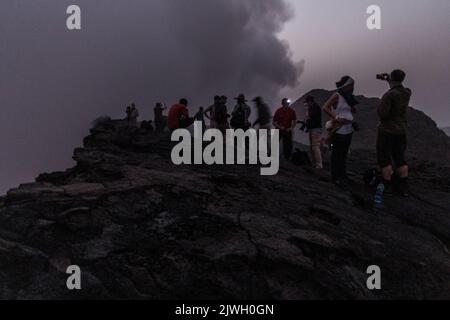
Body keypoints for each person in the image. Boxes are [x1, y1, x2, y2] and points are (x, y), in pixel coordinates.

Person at [377, 69, 412, 197]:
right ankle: (403, 187)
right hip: (401, 130)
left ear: (392, 78)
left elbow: (383, 114)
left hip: (387, 130)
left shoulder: (389, 95)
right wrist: (388, 80)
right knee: (400, 158)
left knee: (384, 158)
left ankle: (386, 186)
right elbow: (398, 87)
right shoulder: (407, 92)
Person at [323, 76, 358, 185]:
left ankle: (343, 175)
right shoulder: (337, 95)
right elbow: (325, 107)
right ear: (346, 85)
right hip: (339, 129)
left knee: (343, 153)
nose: (353, 87)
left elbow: (351, 111)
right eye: (351, 85)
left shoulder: (348, 97)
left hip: (348, 128)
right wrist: (336, 117)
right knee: (337, 154)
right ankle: (336, 177)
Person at [304, 95, 323, 169]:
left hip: (316, 129)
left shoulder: (315, 108)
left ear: (310, 101)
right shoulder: (313, 107)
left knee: (315, 146)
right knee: (313, 147)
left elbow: (310, 117)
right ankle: (315, 163)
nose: (306, 104)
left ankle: (319, 164)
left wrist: (307, 111)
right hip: (313, 128)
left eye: (307, 102)